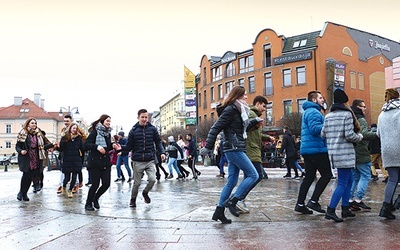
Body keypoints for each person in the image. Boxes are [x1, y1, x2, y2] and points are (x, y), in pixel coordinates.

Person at [199, 86, 261, 224]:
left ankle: (219, 212)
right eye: (244, 95)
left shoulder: (239, 110)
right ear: (237, 96)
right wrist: (208, 146)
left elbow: (238, 129)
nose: (246, 97)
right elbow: (215, 128)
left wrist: (254, 122)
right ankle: (233, 201)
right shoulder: (231, 110)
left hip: (235, 146)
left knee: (232, 181)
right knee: (254, 175)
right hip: (234, 148)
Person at [321, 88, 363, 222]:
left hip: (333, 152)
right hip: (345, 153)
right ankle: (331, 210)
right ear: (344, 101)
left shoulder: (328, 116)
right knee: (343, 183)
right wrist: (360, 137)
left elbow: (323, 134)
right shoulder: (347, 115)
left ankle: (345, 209)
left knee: (349, 180)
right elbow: (350, 135)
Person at [119, 109, 166, 208]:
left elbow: (158, 142)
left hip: (149, 159)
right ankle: (133, 199)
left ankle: (145, 193)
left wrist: (162, 152)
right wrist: (120, 148)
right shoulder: (133, 131)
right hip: (137, 160)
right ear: (138, 118)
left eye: (146, 117)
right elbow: (129, 146)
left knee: (153, 179)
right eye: (142, 117)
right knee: (137, 183)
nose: (144, 119)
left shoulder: (152, 129)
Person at [295, 90, 332, 215]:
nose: (323, 100)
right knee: (327, 175)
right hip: (317, 149)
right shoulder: (314, 112)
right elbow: (315, 129)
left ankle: (300, 204)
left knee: (309, 177)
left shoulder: (308, 111)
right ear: (314, 100)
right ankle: (314, 200)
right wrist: (328, 125)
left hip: (309, 149)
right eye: (321, 98)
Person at [237, 95, 273, 213]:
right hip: (251, 150)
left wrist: (267, 137)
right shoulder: (252, 115)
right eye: (263, 106)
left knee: (250, 176)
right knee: (257, 175)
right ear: (257, 104)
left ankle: (238, 200)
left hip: (252, 149)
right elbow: (246, 128)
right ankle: (237, 199)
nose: (264, 109)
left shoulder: (255, 116)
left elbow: (255, 134)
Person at [16, 118, 54, 202]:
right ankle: (21, 192)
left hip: (35, 157)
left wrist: (53, 145)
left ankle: (25, 193)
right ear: (28, 124)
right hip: (26, 157)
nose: (34, 125)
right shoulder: (23, 133)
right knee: (25, 175)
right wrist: (21, 151)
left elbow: (41, 147)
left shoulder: (38, 134)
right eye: (32, 123)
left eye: (35, 123)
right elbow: (17, 146)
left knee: (30, 176)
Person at [349, 99, 377, 211]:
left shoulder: (350, 117)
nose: (365, 109)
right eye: (363, 106)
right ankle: (358, 200)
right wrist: (376, 133)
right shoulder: (361, 119)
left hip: (352, 152)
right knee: (365, 175)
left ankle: (350, 200)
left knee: (355, 177)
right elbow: (364, 134)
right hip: (361, 151)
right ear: (358, 107)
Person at [83, 114, 115, 211]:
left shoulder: (108, 133)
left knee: (106, 183)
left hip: (105, 162)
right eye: (107, 121)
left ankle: (95, 198)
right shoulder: (95, 132)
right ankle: (88, 203)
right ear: (102, 122)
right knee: (95, 184)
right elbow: (86, 145)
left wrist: (113, 146)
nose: (109, 123)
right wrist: (97, 147)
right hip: (95, 162)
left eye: (110, 121)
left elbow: (107, 147)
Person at [378, 88, 400, 219]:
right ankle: (398, 201)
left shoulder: (382, 114)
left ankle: (386, 207)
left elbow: (378, 134)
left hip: (387, 150)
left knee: (392, 179)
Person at [57, 122, 86, 198]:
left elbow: (82, 149)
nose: (75, 130)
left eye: (76, 128)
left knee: (74, 176)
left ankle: (70, 190)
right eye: (73, 128)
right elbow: (61, 149)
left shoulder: (79, 138)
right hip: (67, 159)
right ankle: (64, 186)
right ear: (70, 128)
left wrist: (82, 159)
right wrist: (56, 147)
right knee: (67, 178)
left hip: (76, 159)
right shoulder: (65, 138)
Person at [57, 114, 72, 194]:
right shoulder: (63, 130)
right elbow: (62, 143)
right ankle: (61, 184)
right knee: (63, 170)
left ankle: (75, 184)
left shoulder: (75, 129)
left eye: (67, 121)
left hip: (73, 153)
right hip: (64, 153)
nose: (66, 123)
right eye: (65, 121)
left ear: (71, 121)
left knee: (74, 170)